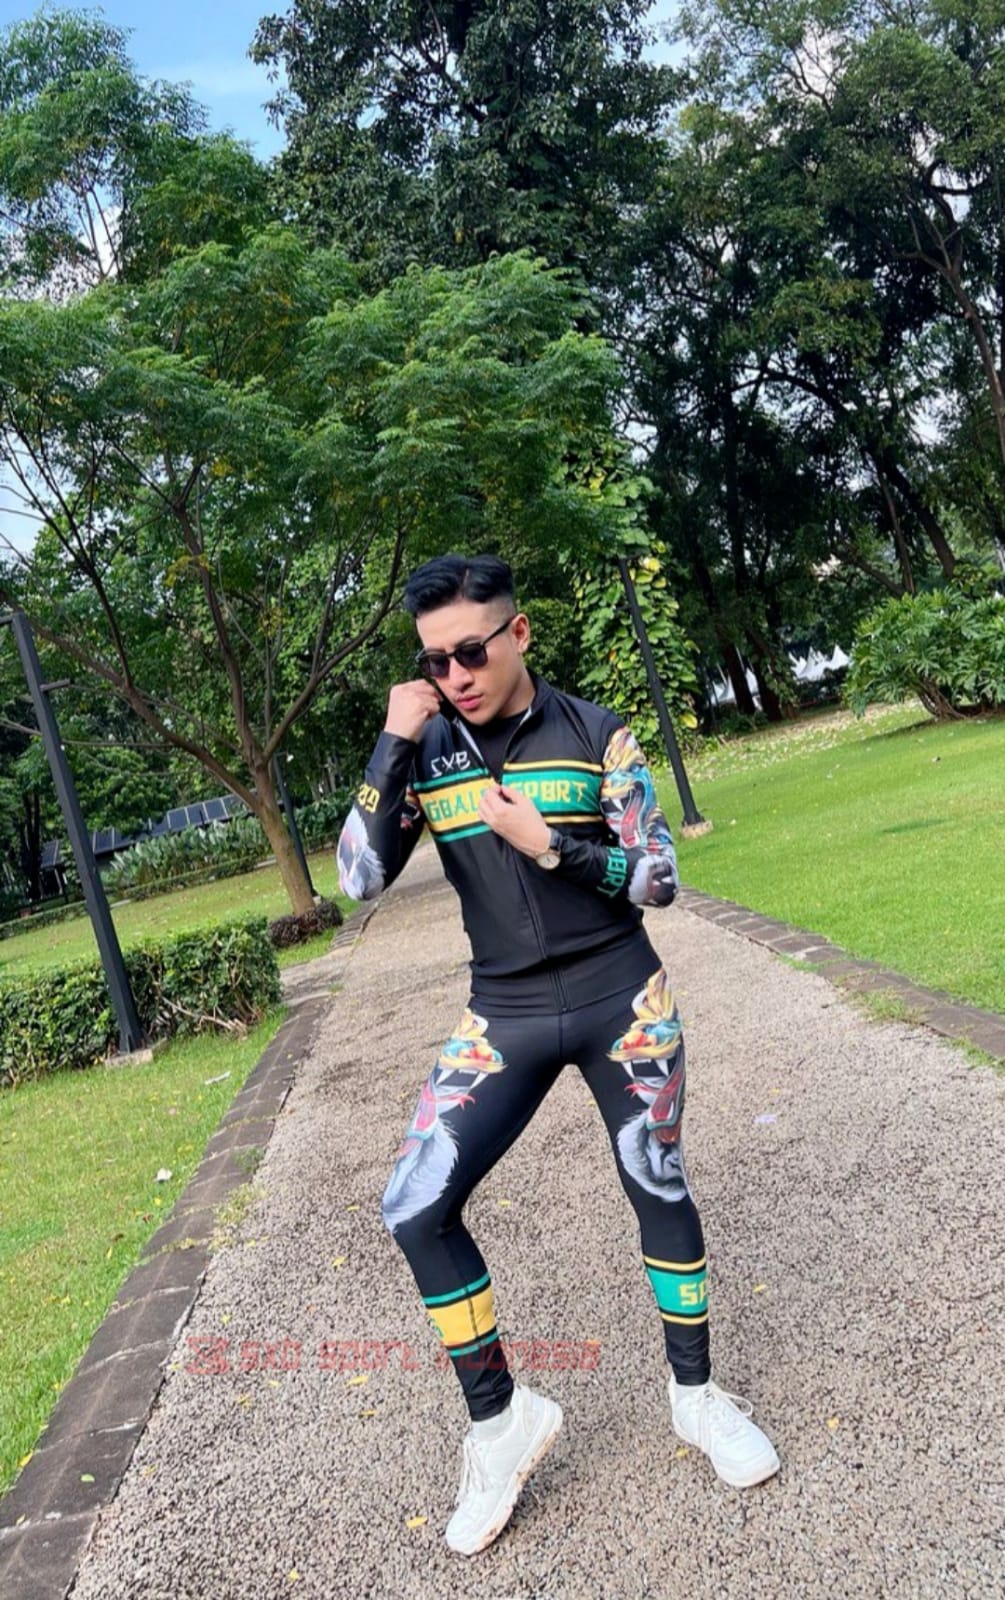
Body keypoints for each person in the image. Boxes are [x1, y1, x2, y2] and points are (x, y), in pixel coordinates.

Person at [337, 553, 779, 1556]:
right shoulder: (427, 747)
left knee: (657, 1179)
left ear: (519, 632)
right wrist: (393, 740)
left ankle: (697, 1398)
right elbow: (358, 879)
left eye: (472, 650)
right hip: (505, 1011)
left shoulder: (594, 733)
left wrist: (550, 846)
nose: (456, 674)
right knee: (413, 1205)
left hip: (623, 997)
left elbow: (660, 876)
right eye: (435, 660)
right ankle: (501, 1423)